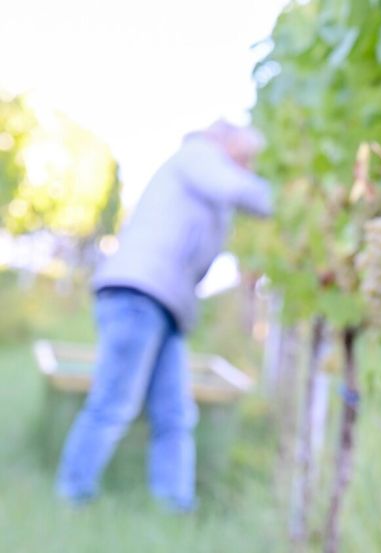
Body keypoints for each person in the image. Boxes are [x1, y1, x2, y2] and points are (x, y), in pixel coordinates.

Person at [56, 121, 273, 512]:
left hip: (165, 303)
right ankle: (72, 495)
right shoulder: (199, 155)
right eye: (244, 159)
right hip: (140, 295)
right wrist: (282, 201)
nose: (247, 169)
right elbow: (236, 189)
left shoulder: (204, 167)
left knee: (174, 413)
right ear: (226, 144)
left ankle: (174, 506)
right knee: (113, 403)